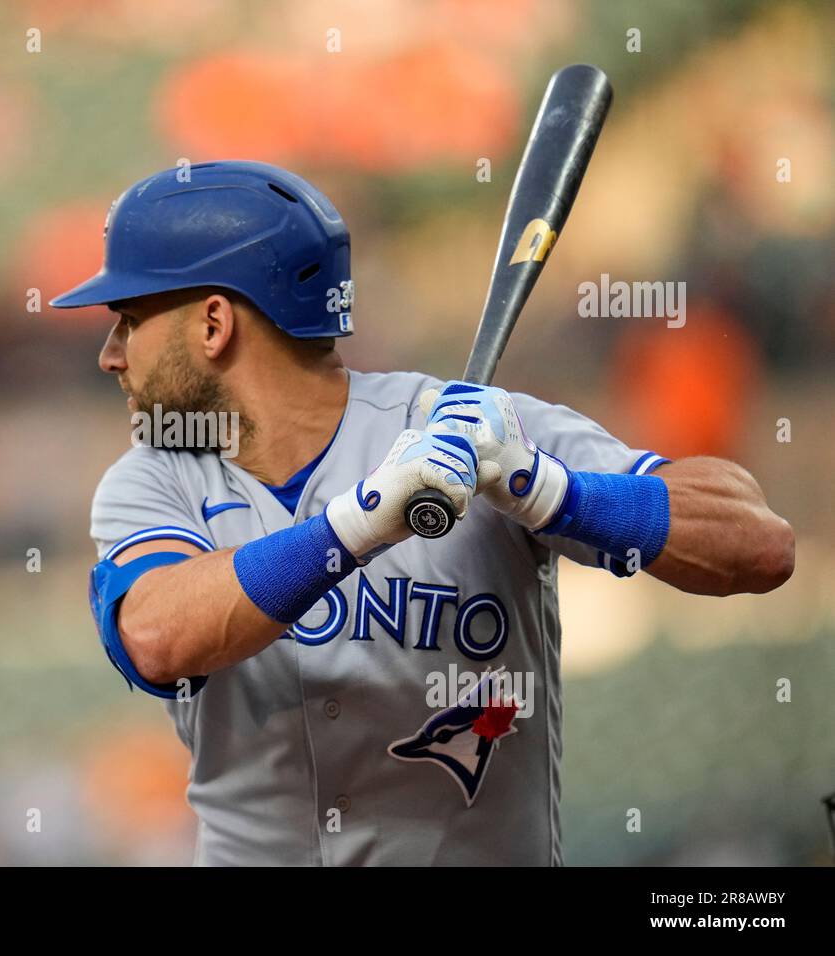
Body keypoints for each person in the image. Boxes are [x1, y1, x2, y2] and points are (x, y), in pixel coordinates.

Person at [51, 160, 794, 865]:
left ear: (214, 325)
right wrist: (364, 522)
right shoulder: (151, 478)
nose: (111, 354)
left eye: (129, 318)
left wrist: (544, 488)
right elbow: (155, 635)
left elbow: (758, 547)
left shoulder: (478, 430)